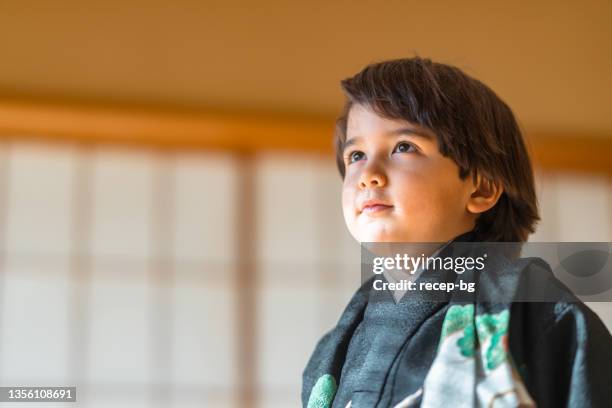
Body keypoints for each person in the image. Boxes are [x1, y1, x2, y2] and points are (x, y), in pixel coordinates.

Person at [302, 57, 612, 407]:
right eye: (355, 154)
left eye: (404, 147)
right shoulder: (337, 345)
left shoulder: (539, 315)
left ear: (481, 189)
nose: (368, 174)